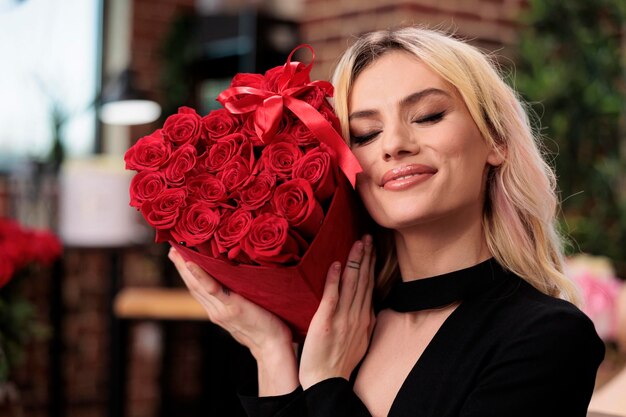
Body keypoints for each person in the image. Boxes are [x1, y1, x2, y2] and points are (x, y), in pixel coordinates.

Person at [168, 26, 605, 416]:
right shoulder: (335, 326)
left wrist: (325, 384)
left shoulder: (547, 337)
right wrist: (271, 351)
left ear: (496, 140)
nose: (394, 145)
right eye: (364, 134)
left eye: (428, 116)